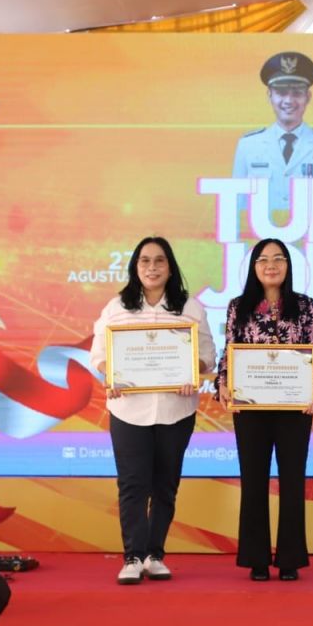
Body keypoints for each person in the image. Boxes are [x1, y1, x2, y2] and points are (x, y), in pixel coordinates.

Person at [90, 236, 216, 584]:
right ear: (135, 267)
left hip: (177, 408)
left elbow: (208, 354)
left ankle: (154, 554)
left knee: (165, 485)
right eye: (145, 261)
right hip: (129, 409)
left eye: (159, 261)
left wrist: (195, 368)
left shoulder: (189, 307)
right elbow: (99, 353)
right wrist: (110, 373)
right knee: (133, 485)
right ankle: (132, 556)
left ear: (170, 266)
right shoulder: (118, 306)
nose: (152, 267)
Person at [215, 239, 313, 581]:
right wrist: (222, 381)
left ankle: (290, 558)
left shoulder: (304, 305)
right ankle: (256, 558)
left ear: (288, 266)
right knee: (254, 481)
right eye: (263, 259)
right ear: (254, 267)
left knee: (293, 481)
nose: (271, 265)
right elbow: (229, 349)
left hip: (294, 407)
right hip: (250, 407)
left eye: (279, 259)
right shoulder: (239, 306)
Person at [232, 51, 313, 216]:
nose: (288, 101)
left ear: (308, 97)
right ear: (269, 95)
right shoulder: (248, 146)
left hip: (311, 240)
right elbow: (237, 206)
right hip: (264, 240)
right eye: (281, 93)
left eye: (297, 93)